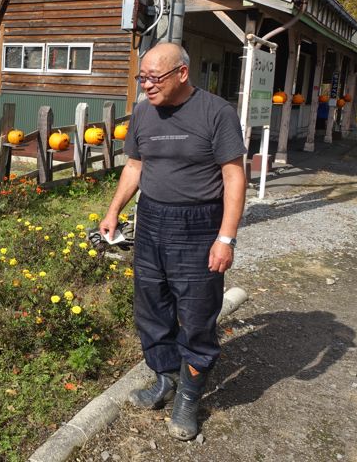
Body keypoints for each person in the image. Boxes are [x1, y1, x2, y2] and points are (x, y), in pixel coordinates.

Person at [99, 42, 246, 440]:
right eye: (141, 77)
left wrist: (226, 238)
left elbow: (234, 176)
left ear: (182, 73)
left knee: (197, 315)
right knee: (152, 306)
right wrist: (114, 211)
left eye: (154, 78)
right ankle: (165, 379)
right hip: (151, 220)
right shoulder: (144, 112)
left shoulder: (217, 113)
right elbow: (135, 165)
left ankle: (189, 399)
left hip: (199, 225)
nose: (146, 85)